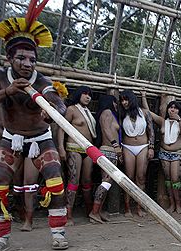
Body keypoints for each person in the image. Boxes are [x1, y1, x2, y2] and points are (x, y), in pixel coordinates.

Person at [0, 1, 69, 251]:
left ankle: (58, 233)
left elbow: (58, 103)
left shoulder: (42, 80)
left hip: (40, 137)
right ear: (9, 58)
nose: (27, 63)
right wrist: (6, 91)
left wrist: (51, 113)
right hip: (10, 137)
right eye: (21, 58)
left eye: (32, 59)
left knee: (55, 178)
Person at [57, 86, 96, 226]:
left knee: (86, 181)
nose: (88, 97)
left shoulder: (88, 113)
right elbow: (62, 127)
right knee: (74, 180)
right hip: (74, 148)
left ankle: (90, 212)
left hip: (88, 149)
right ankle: (68, 215)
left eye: (90, 95)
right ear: (79, 94)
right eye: (85, 94)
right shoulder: (72, 109)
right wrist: (61, 147)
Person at [119, 90, 155, 218]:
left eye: (126, 99)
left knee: (141, 177)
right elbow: (119, 133)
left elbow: (151, 130)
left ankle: (140, 207)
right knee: (128, 177)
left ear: (132, 99)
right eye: (122, 100)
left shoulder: (144, 113)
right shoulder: (122, 114)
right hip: (127, 147)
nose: (124, 102)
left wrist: (151, 147)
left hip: (143, 146)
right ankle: (128, 207)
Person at [151, 101, 181, 214]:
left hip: (177, 154)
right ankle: (172, 204)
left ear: (179, 110)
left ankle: (178, 205)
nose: (172, 110)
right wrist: (143, 96)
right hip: (164, 153)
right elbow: (149, 113)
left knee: (175, 179)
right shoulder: (163, 121)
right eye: (170, 108)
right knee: (168, 179)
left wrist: (178, 119)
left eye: (175, 108)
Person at [89, 94, 122, 223]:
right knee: (106, 181)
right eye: (115, 102)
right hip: (108, 150)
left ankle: (98, 210)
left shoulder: (106, 113)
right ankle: (94, 212)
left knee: (107, 182)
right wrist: (115, 145)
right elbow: (106, 129)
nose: (116, 105)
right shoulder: (107, 112)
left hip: (110, 151)